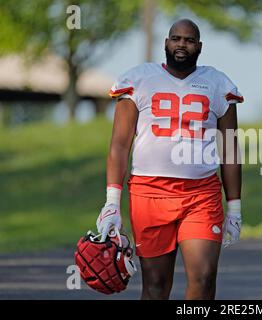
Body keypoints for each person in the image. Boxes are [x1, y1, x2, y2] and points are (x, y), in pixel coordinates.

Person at [96, 18, 244, 300]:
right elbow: (119, 145)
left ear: (199, 47)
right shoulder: (139, 79)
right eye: (176, 38)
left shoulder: (217, 83)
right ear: (166, 42)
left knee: (203, 280)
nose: (181, 45)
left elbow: (230, 150)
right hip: (149, 193)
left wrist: (234, 207)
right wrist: (111, 202)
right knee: (155, 286)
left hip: (201, 195)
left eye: (188, 40)